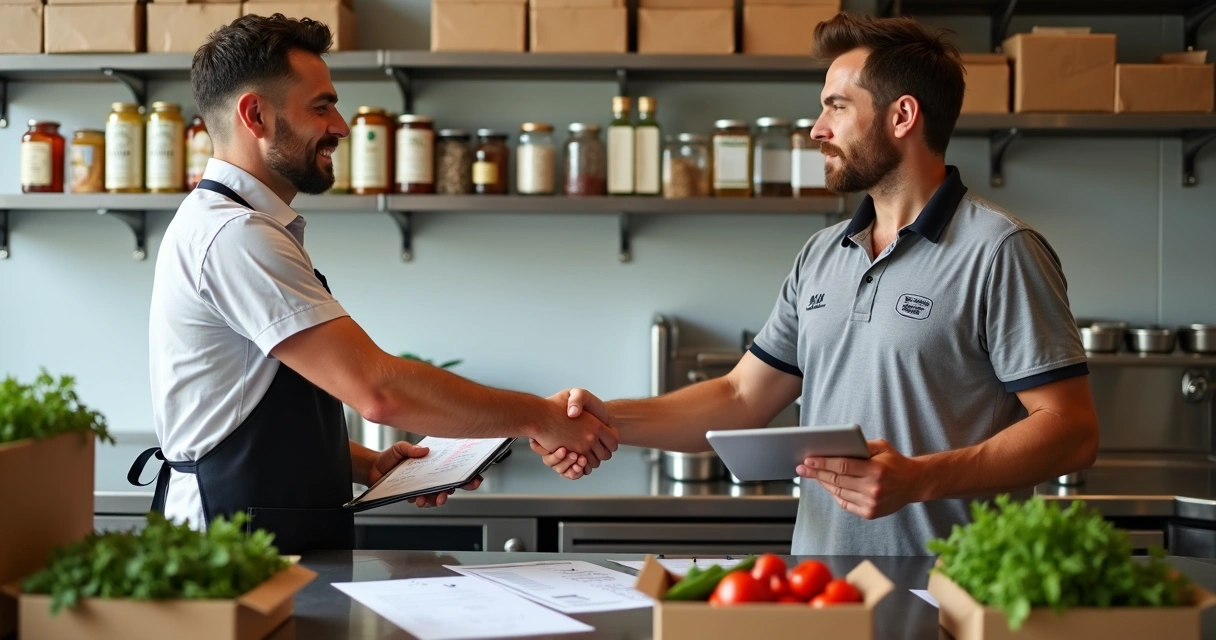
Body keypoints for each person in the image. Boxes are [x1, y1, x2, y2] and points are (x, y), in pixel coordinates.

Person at [534, 12, 1099, 556]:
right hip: (826, 588)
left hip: (953, 592)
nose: (816, 129)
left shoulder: (1000, 250)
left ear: (902, 116)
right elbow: (740, 397)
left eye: (837, 106)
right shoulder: (822, 254)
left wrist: (920, 479)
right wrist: (605, 420)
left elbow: (1071, 430)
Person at [129, 14, 617, 554]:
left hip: (262, 527)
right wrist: (540, 417)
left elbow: (243, 404)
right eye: (321, 107)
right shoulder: (234, 235)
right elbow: (378, 389)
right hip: (226, 545)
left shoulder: (243, 226)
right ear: (256, 114)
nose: (341, 125)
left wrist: (368, 463)